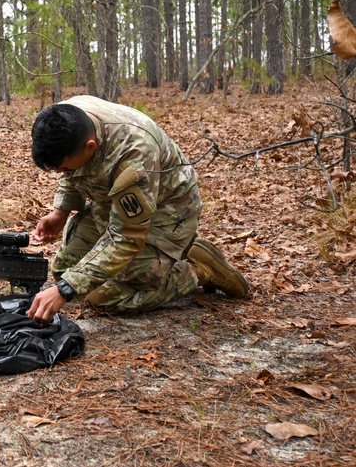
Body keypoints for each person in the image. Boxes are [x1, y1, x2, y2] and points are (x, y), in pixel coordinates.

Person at [25, 95, 248, 324]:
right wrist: (60, 213)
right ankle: (163, 257)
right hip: (112, 199)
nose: (61, 172)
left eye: (62, 166)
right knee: (64, 271)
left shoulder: (134, 155)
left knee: (102, 298)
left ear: (90, 146)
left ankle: (196, 270)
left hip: (169, 208)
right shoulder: (66, 117)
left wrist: (65, 290)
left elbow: (126, 237)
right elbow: (70, 172)